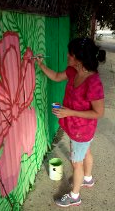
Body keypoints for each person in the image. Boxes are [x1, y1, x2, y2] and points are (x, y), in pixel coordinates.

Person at [36, 37, 106, 207]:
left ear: (78, 58)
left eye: (70, 54)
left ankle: (75, 196)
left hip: (82, 130)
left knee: (76, 163)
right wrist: (40, 65)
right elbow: (55, 76)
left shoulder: (93, 82)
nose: (67, 55)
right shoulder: (72, 71)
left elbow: (99, 112)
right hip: (77, 128)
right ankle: (87, 179)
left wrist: (69, 112)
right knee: (85, 152)